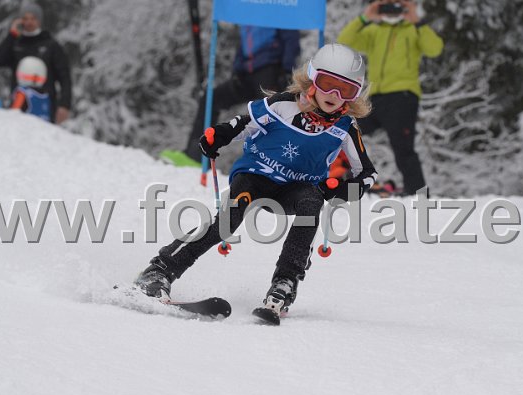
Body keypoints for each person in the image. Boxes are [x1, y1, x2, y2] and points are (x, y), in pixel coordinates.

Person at [135, 43, 378, 317]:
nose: (334, 95)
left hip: (295, 190)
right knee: (228, 220)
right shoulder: (283, 105)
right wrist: (219, 135)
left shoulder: (345, 127)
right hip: (255, 177)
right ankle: (159, 270)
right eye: (327, 84)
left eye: (346, 90)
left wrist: (343, 190)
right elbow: (243, 124)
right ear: (312, 78)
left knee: (312, 201)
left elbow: (367, 174)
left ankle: (284, 284)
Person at [338, 0, 443, 196]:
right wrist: (365, 17)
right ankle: (338, 178)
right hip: (375, 98)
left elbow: (434, 48)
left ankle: (417, 194)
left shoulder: (413, 30)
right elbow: (345, 40)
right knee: (344, 129)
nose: (392, 10)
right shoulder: (374, 31)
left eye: (397, 5)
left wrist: (416, 21)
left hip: (402, 98)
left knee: (403, 148)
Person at [160, 25, 301, 167]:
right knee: (211, 99)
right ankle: (196, 156)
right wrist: (237, 69)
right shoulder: (248, 18)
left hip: (270, 71)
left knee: (268, 115)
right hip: (246, 73)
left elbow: (291, 38)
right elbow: (244, 45)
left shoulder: (275, 12)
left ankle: (276, 165)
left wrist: (287, 69)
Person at [0, 3, 72, 124]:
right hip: (18, 106)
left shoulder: (51, 45)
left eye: (33, 18)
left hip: (45, 107)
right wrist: (12, 35)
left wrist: (65, 104)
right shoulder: (16, 44)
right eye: (25, 18)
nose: (29, 22)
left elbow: (64, 77)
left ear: (39, 20)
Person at [10, 56, 51, 121]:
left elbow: (13, 113)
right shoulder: (45, 95)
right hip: (43, 126)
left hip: (26, 126)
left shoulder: (22, 92)